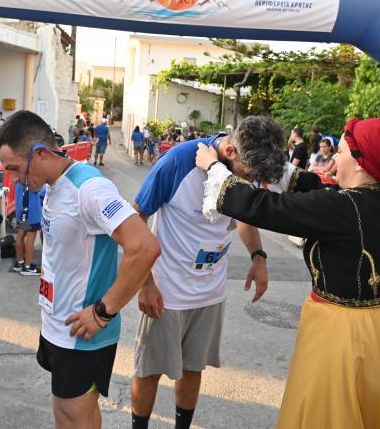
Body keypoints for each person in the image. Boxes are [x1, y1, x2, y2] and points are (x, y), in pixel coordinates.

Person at [194, 117, 380, 429]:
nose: (334, 160)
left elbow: (264, 206)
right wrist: (276, 168)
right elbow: (321, 191)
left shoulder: (342, 207)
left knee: (330, 411)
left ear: (360, 164)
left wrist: (214, 168)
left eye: (340, 152)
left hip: (342, 332)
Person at [130, 116, 321, 429]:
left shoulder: (247, 163)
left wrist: (258, 256)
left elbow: (243, 211)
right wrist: (145, 283)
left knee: (194, 368)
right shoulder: (177, 162)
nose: (250, 181)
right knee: (149, 371)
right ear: (231, 151)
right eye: (248, 174)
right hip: (167, 291)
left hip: (211, 291)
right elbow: (136, 219)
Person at [0, 110, 160, 429]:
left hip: (82, 334)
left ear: (39, 153)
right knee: (68, 414)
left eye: (13, 168)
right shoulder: (54, 185)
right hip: (57, 325)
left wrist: (103, 311)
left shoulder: (89, 188)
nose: (12, 178)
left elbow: (144, 247)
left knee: (74, 417)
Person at [11, 180, 44, 276]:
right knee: (31, 236)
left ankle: (20, 262)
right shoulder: (31, 172)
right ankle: (27, 266)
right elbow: (36, 188)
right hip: (31, 208)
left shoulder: (19, 172)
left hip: (20, 206)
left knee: (21, 233)